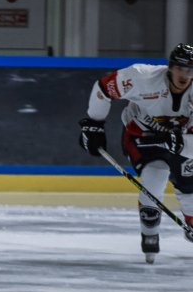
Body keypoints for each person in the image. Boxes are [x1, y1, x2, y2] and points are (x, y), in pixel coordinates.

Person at [79, 43, 193, 264]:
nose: (185, 75)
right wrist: (94, 124)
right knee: (153, 178)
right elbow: (103, 88)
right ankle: (150, 232)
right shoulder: (141, 77)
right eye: (180, 68)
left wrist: (181, 143)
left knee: (189, 185)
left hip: (185, 139)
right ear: (170, 67)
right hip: (142, 136)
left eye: (190, 70)